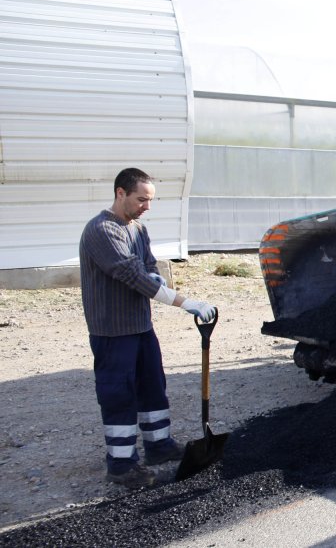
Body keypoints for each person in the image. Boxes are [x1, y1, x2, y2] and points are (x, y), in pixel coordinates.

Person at [79, 168, 217, 488]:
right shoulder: (102, 230)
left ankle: (159, 445)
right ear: (120, 193)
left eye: (150, 200)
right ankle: (121, 464)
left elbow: (148, 267)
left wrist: (156, 278)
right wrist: (184, 301)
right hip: (112, 332)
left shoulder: (138, 229)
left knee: (153, 386)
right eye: (142, 199)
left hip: (141, 326)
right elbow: (131, 274)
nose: (147, 206)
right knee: (119, 394)